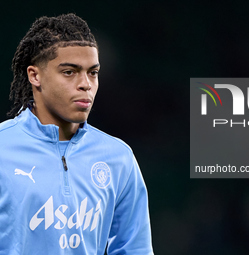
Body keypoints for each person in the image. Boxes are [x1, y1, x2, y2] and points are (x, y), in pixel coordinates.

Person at [0, 14, 153, 255]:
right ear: (35, 75)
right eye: (70, 72)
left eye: (93, 73)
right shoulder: (3, 148)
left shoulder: (118, 158)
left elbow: (134, 249)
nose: (86, 84)